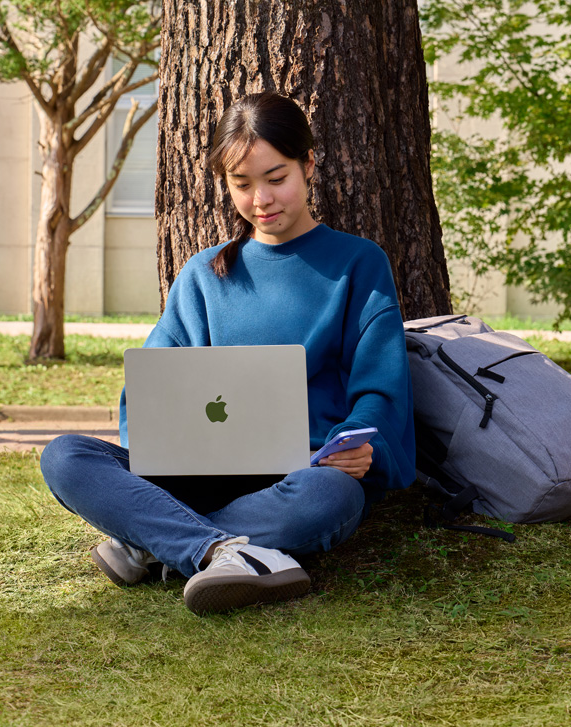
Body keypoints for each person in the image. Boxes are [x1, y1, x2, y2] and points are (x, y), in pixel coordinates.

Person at [37, 93, 414, 616]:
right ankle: (216, 551)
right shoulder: (203, 274)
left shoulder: (358, 264)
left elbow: (379, 387)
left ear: (308, 165)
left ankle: (153, 542)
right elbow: (146, 396)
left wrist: (360, 446)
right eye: (242, 184)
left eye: (276, 177)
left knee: (330, 500)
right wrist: (153, 454)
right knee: (65, 456)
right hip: (194, 474)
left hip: (303, 475)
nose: (261, 198)